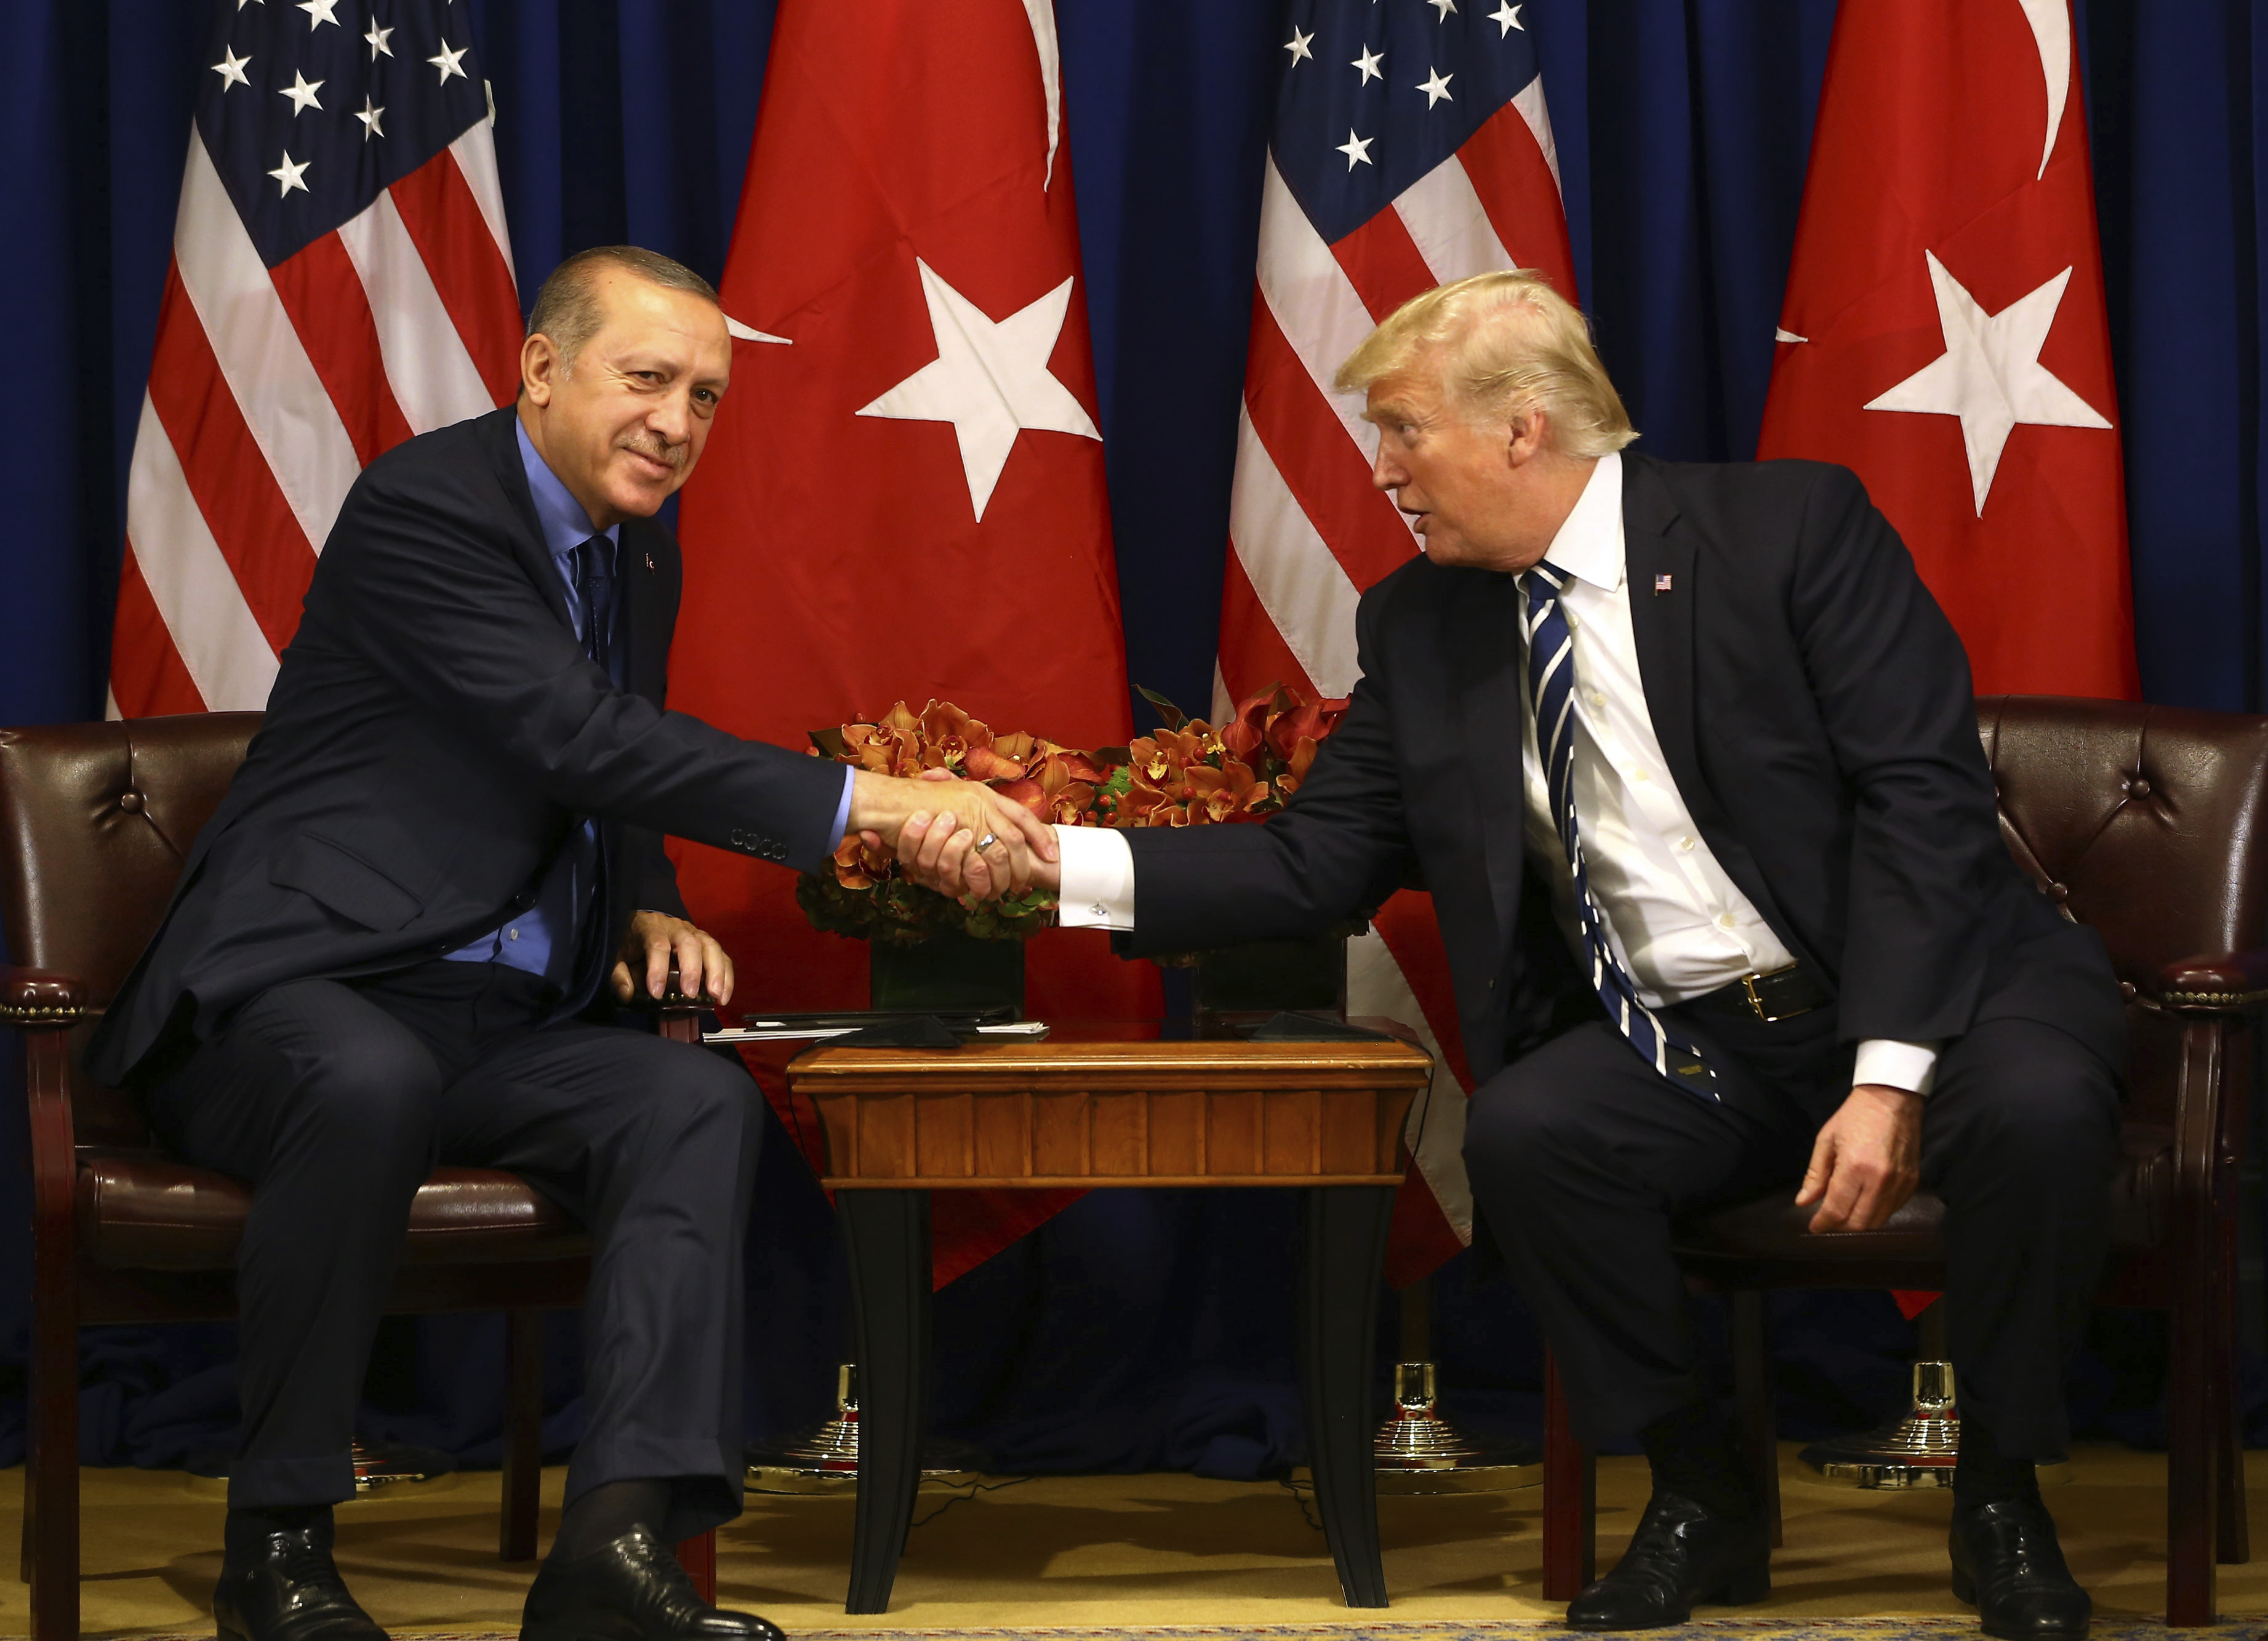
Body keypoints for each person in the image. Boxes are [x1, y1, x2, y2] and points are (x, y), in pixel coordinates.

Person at [899, 269, 2122, 1639]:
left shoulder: (1785, 529)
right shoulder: (1425, 624)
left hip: (1945, 996)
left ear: (1523, 427)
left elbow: (1921, 799)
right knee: (1537, 1134)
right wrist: (1044, 860)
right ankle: (1699, 1491)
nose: (1383, 470)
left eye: (1406, 429)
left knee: (2037, 1109)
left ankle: (2002, 1494)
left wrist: (1890, 1076)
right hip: (1707, 1040)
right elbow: (1315, 861)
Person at [84, 245, 1051, 1641]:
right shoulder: (426, 504)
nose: (677, 422)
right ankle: (277, 1542)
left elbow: (611, 765)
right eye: (647, 378)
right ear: (542, 370)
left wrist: (650, 886)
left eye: (707, 397)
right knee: (369, 1080)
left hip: (495, 1020)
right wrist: (883, 802)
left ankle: (615, 1541)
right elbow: (573, 728)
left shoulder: (635, 541)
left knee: (693, 1100)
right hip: (295, 996)